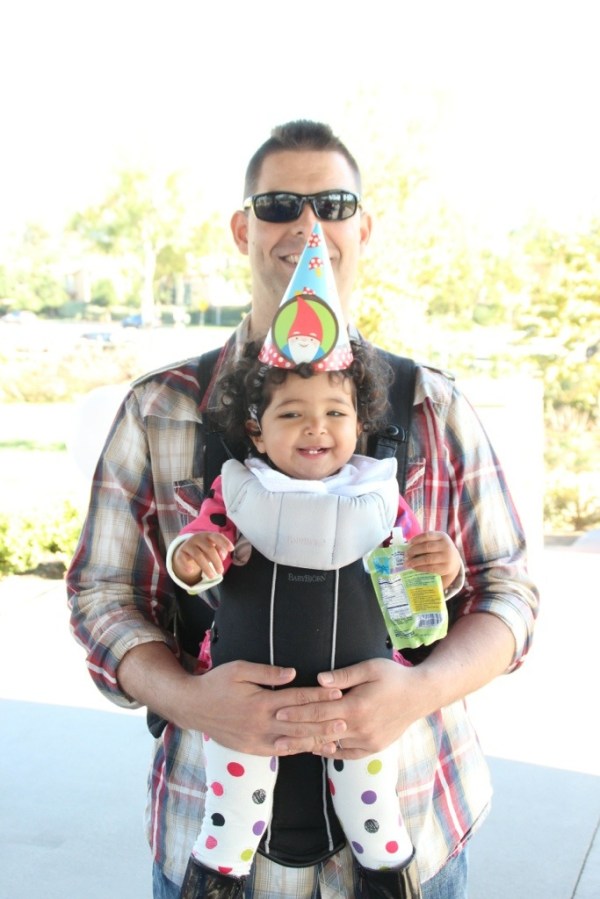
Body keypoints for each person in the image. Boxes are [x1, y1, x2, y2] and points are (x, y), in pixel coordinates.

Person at [67, 119, 539, 899]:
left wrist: (417, 691)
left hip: (414, 828)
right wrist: (193, 701)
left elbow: (509, 593)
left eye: (334, 204)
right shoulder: (160, 408)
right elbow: (101, 596)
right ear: (242, 228)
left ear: (364, 228)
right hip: (209, 832)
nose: (308, 224)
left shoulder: (432, 406)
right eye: (280, 203)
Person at [166, 328, 464, 898]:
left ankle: (389, 882)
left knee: (373, 812)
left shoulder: (381, 497)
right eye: (291, 413)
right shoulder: (237, 492)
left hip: (360, 701)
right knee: (232, 815)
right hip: (244, 700)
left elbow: (414, 578)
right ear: (256, 428)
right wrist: (193, 556)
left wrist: (441, 568)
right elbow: (199, 548)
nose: (315, 427)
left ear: (360, 423)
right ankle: (215, 881)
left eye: (335, 412)